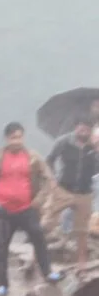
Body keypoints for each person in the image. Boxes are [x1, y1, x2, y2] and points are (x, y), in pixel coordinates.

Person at [0, 123, 56, 294]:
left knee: (38, 236)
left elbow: (48, 178)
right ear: (7, 139)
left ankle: (48, 272)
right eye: (13, 138)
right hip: (1, 209)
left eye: (19, 137)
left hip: (26, 208)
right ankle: (2, 284)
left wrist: (39, 200)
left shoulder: (32, 157)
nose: (16, 141)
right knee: (0, 246)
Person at [46, 118, 98, 278]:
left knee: (82, 231)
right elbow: (50, 159)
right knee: (47, 223)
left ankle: (81, 265)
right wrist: (52, 180)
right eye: (81, 127)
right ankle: (36, 258)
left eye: (87, 128)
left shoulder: (94, 145)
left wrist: (96, 149)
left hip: (84, 192)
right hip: (63, 190)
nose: (83, 131)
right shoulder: (64, 141)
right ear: (75, 127)